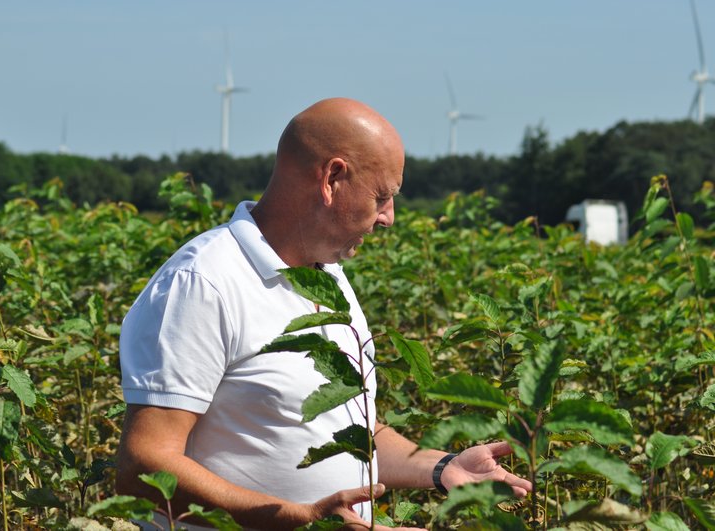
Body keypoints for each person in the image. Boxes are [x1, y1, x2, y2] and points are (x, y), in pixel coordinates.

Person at [116, 97, 531, 530]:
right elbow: (143, 468)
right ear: (332, 178)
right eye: (382, 196)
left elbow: (347, 429)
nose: (389, 217)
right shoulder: (204, 281)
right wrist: (302, 521)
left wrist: (442, 467)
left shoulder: (329, 277)